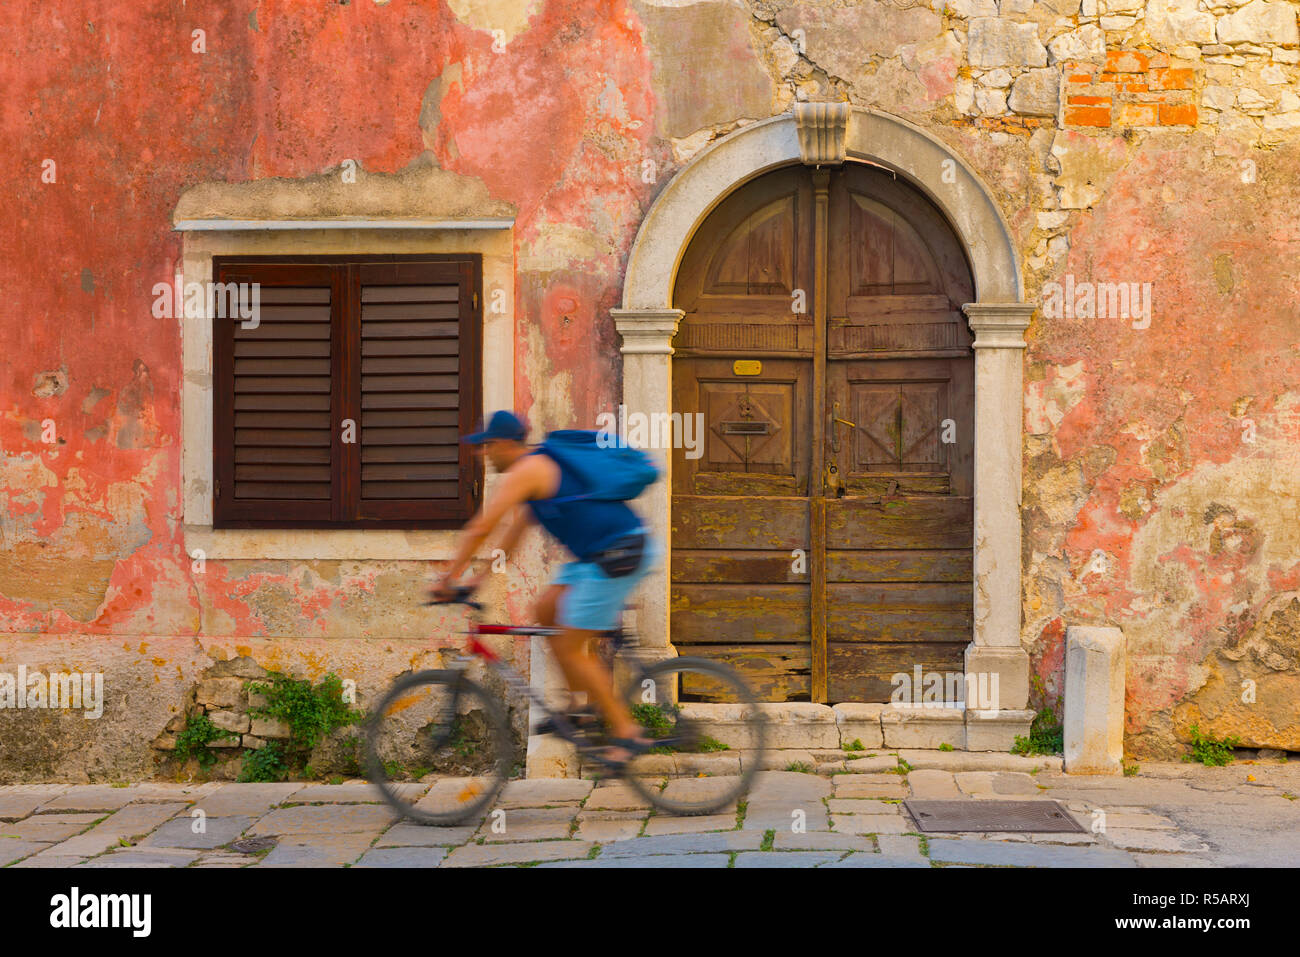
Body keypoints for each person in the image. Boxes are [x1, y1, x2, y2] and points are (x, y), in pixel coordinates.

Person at [430, 410, 663, 766]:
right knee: (546, 610)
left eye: (488, 445)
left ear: (506, 444)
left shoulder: (529, 470)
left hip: (622, 552)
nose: (483, 453)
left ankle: (627, 732)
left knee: (569, 646)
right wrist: (476, 580)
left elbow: (482, 527)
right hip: (597, 556)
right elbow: (510, 538)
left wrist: (447, 578)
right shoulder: (535, 476)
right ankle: (579, 709)